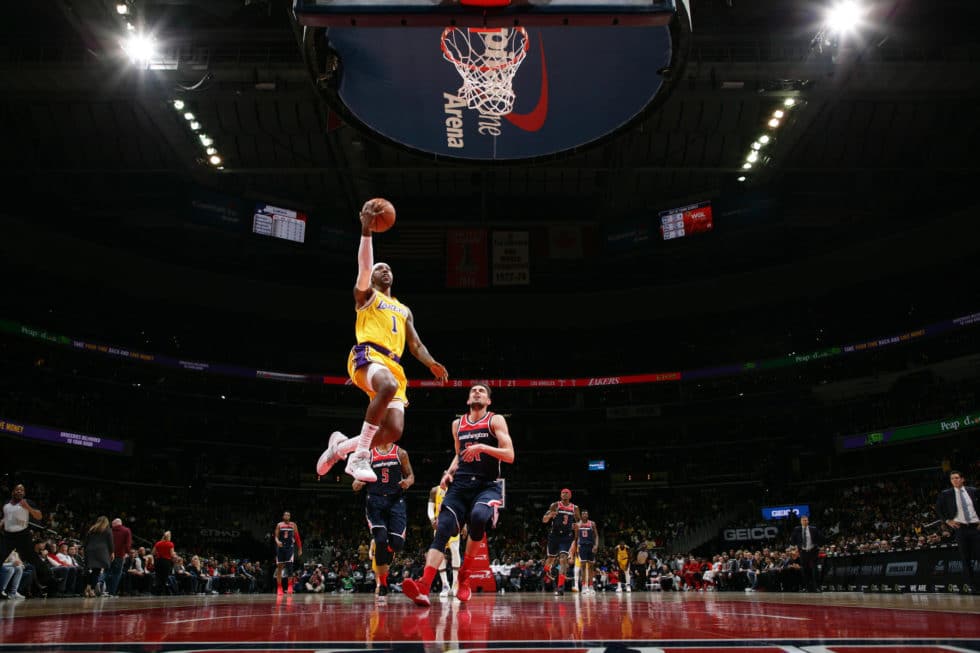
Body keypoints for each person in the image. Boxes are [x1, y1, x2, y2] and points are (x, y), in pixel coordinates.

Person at [316, 200, 449, 483]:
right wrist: (367, 231)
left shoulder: (403, 309)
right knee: (386, 385)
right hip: (368, 354)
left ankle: (339, 448)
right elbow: (364, 266)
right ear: (373, 277)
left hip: (394, 365)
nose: (384, 270)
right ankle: (360, 456)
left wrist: (431, 363)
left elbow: (415, 345)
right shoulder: (367, 297)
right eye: (380, 268)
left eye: (388, 268)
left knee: (393, 431)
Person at [402, 384, 514, 607]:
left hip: (487, 485)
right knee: (442, 527)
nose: (477, 392)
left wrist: (483, 447)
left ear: (489, 401)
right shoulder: (458, 424)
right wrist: (448, 472)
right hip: (460, 485)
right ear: (467, 400)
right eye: (473, 390)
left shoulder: (495, 420)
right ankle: (424, 586)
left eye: (482, 391)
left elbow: (509, 455)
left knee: (479, 517)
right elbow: (458, 456)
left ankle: (465, 575)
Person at [352, 441, 414, 602]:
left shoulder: (401, 453)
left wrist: (407, 482)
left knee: (397, 545)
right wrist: (357, 483)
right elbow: (355, 482)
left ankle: (387, 550)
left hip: (396, 501)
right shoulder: (369, 455)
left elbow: (411, 476)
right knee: (380, 540)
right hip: (375, 502)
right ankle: (383, 584)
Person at [936, 470, 980, 594]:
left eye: (957, 478)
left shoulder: (973, 491)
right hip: (960, 529)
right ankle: (974, 587)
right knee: (965, 559)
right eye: (952, 479)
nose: (954, 480)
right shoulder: (946, 494)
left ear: (962, 479)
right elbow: (938, 508)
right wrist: (947, 520)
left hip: (976, 527)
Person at [542, 488, 580, 596]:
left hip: (566, 537)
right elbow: (544, 520)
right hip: (554, 536)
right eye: (563, 493)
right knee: (550, 558)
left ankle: (560, 587)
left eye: (567, 493)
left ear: (570, 495)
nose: (564, 494)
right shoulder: (555, 505)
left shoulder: (575, 508)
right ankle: (545, 572)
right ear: (560, 495)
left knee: (563, 559)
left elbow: (579, 522)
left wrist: (577, 526)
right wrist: (549, 516)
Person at [428, 484, 463, 597]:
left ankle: (455, 584)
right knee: (439, 553)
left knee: (455, 550)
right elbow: (430, 509)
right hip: (440, 525)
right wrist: (432, 519)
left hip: (453, 524)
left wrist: (464, 524)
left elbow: (462, 508)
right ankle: (445, 585)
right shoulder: (435, 490)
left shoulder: (456, 490)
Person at [0, 484, 44, 575]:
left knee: (32, 559)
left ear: (24, 493)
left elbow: (39, 516)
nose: (19, 491)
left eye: (22, 490)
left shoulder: (27, 502)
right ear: (13, 492)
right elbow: (5, 517)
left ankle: (49, 580)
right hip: (8, 535)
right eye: (17, 489)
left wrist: (28, 507)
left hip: (22, 535)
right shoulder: (6, 503)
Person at [789, 516, 824, 592]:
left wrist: (820, 546)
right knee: (805, 570)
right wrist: (795, 546)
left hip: (813, 551)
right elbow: (792, 539)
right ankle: (807, 587)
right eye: (803, 520)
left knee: (815, 570)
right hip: (803, 552)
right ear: (801, 522)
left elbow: (820, 537)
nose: (805, 522)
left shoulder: (813, 529)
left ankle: (817, 587)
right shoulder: (797, 529)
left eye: (806, 520)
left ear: (808, 521)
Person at [83, 516, 113, 597]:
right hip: (101, 552)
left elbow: (86, 542)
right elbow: (110, 543)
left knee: (91, 571)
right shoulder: (107, 530)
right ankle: (91, 590)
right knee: (96, 571)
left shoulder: (91, 530)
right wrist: (112, 552)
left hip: (90, 550)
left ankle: (88, 587)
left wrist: (85, 550)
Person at [274, 511, 302, 595]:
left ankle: (290, 586)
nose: (287, 516)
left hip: (290, 547)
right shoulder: (279, 525)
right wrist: (277, 541)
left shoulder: (293, 525)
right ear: (283, 516)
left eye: (288, 515)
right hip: (281, 547)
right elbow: (275, 536)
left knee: (290, 567)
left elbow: (297, 537)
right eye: (285, 514)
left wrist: (300, 548)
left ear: (290, 517)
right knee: (280, 567)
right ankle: (279, 587)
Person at [575, 509, 598, 595]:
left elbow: (596, 536)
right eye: (583, 514)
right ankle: (584, 586)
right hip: (582, 547)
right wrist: (575, 549)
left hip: (590, 546)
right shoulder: (578, 524)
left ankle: (591, 586)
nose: (584, 515)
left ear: (588, 515)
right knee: (583, 567)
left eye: (586, 514)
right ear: (581, 515)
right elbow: (576, 538)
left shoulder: (592, 523)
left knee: (591, 567)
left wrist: (596, 546)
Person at [107, 518, 132, 596]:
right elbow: (127, 544)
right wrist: (128, 553)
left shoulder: (109, 530)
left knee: (107, 573)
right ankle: (112, 592)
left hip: (108, 555)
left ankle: (105, 590)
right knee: (116, 574)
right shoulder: (126, 530)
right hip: (119, 556)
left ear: (114, 524)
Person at [152, 531, 175, 595]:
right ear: (169, 537)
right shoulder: (170, 544)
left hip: (158, 561)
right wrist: (175, 556)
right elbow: (172, 554)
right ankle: (164, 591)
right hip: (166, 562)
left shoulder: (158, 543)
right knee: (165, 577)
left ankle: (157, 592)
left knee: (158, 576)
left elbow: (153, 552)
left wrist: (159, 553)